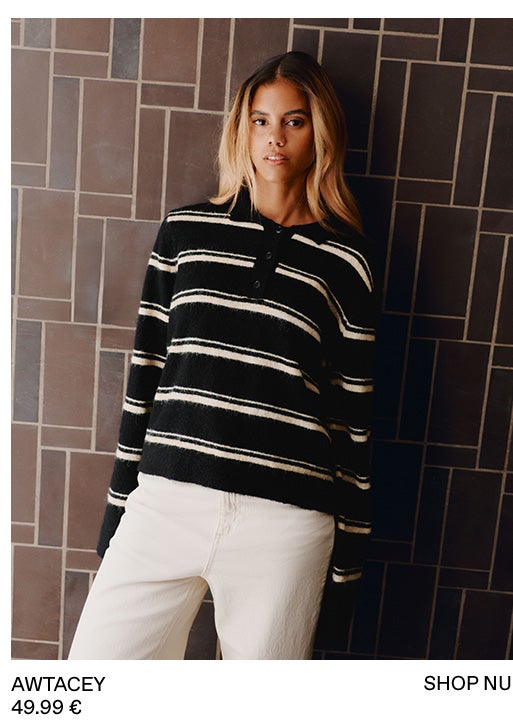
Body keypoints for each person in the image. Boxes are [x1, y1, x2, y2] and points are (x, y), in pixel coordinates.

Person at [68, 51, 379, 660]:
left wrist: (347, 567)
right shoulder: (185, 233)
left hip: (285, 523)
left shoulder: (348, 263)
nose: (275, 138)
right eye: (261, 121)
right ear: (242, 129)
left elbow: (353, 421)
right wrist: (119, 514)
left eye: (293, 121)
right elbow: (145, 377)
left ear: (320, 133)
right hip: (166, 503)